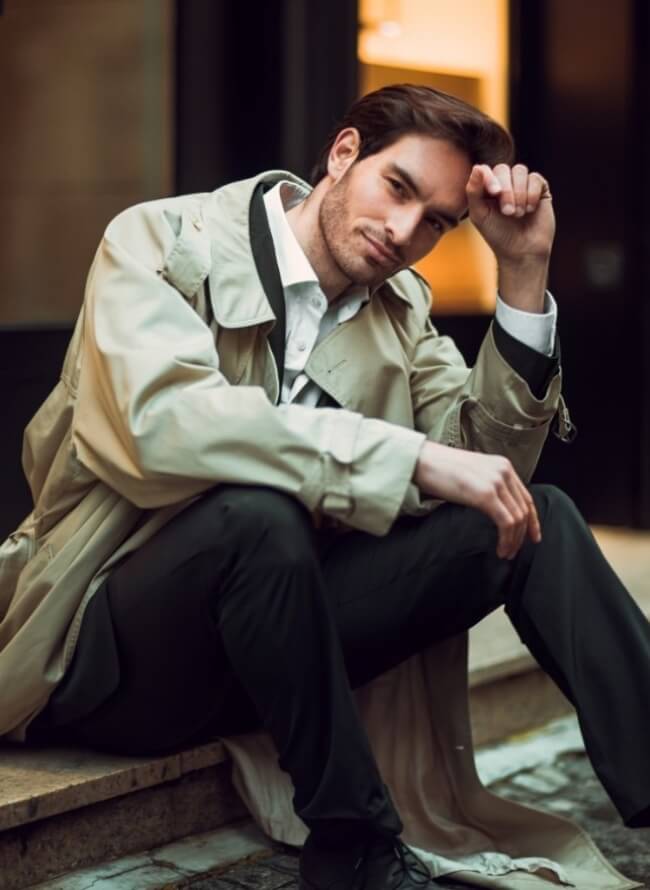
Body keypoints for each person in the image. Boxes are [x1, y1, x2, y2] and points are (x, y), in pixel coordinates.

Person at [0, 85, 648, 890]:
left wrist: (521, 272)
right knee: (254, 515)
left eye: (437, 222)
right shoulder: (160, 241)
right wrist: (405, 458)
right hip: (109, 653)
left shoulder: (399, 308)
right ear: (343, 154)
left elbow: (488, 471)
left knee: (536, 518)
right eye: (398, 188)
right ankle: (355, 846)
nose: (405, 232)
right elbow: (159, 425)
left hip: (283, 645)